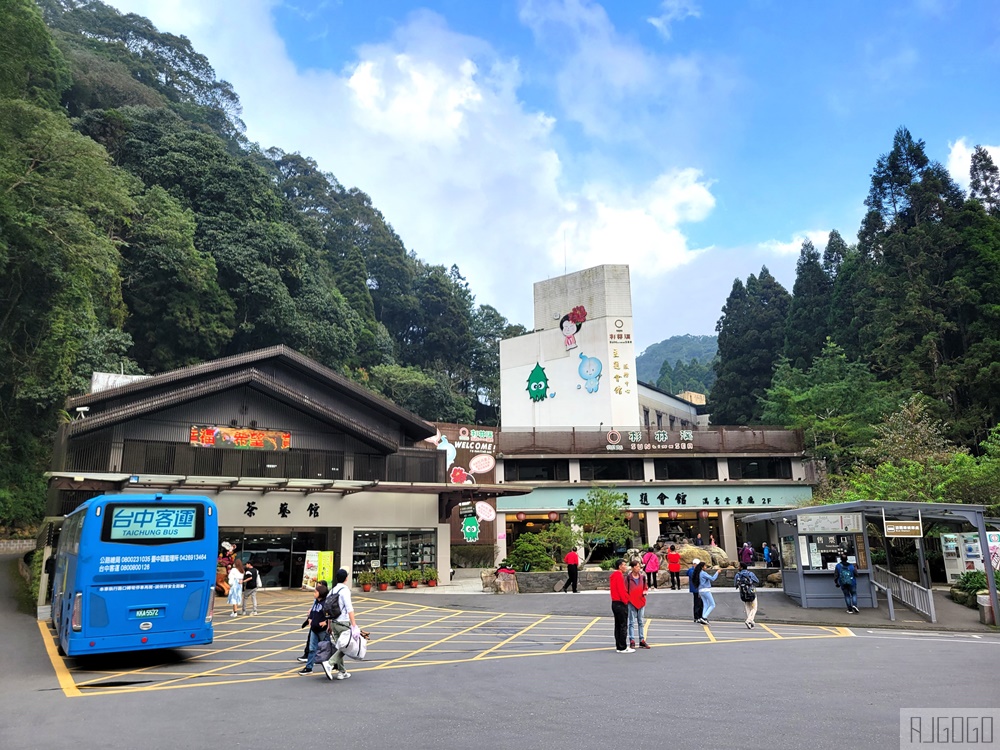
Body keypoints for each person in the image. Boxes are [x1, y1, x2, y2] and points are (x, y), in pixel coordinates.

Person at [327, 568, 362, 680]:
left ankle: (342, 672)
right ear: (346, 578)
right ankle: (330, 663)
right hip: (343, 623)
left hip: (333, 623)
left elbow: (328, 609)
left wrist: (329, 625)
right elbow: (349, 608)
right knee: (346, 646)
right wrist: (354, 625)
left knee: (340, 646)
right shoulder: (345, 590)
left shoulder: (332, 591)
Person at [298, 583, 330, 675]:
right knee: (312, 649)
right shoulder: (316, 601)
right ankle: (309, 667)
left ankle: (333, 664)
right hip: (314, 629)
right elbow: (313, 611)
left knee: (326, 649)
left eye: (316, 592)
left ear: (321, 593)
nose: (314, 593)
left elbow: (331, 615)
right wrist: (310, 619)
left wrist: (326, 622)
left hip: (322, 631)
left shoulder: (326, 603)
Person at [609, 558, 632, 653]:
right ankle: (622, 646)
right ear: (620, 566)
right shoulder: (619, 575)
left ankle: (619, 645)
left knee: (618, 625)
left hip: (614, 602)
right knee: (623, 625)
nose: (625, 567)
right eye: (624, 565)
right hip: (620, 602)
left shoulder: (614, 575)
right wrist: (626, 600)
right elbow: (621, 590)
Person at [626, 559, 650, 649]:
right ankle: (632, 640)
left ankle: (642, 640)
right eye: (636, 566)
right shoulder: (628, 578)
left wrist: (645, 591)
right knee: (631, 622)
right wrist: (628, 599)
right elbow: (626, 590)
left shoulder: (642, 577)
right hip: (631, 602)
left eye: (639, 566)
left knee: (641, 622)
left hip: (641, 601)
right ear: (632, 568)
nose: (638, 568)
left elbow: (645, 587)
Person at [734, 562, 760, 629]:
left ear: (741, 567)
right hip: (751, 592)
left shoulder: (737, 575)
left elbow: (735, 585)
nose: (738, 567)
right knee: (754, 608)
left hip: (743, 593)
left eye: (739, 566)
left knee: (747, 607)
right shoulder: (750, 574)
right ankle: (749, 620)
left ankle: (750, 622)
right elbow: (757, 581)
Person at [694, 560, 720, 625]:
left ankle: (703, 617)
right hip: (706, 590)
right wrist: (717, 572)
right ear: (702, 567)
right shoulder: (703, 573)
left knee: (705, 604)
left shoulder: (698, 573)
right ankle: (704, 617)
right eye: (705, 566)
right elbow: (712, 578)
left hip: (701, 590)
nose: (706, 567)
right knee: (712, 604)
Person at [687, 558, 704, 623]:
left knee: (700, 603)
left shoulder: (693, 570)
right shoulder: (693, 571)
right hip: (696, 589)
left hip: (698, 589)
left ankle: (700, 616)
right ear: (694, 564)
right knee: (697, 603)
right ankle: (697, 617)